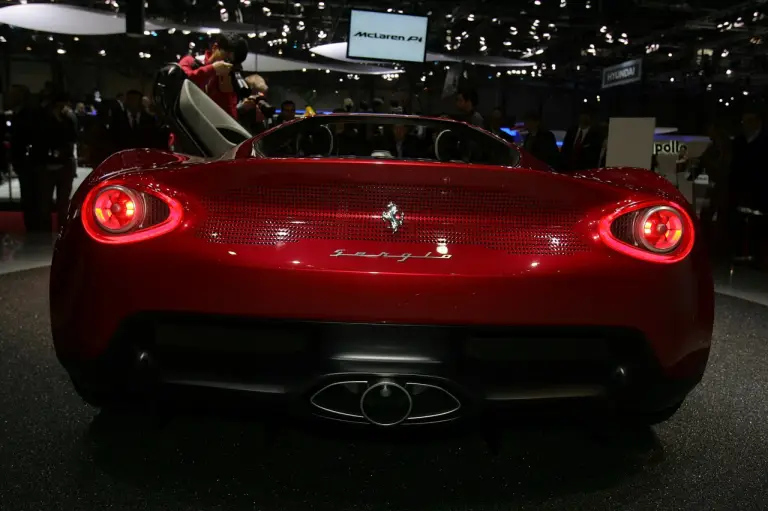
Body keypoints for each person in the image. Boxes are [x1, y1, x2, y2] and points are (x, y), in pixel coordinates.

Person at [178, 33, 242, 118]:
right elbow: (182, 81)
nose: (227, 63)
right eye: (226, 58)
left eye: (231, 62)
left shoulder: (225, 78)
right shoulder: (190, 61)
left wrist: (227, 93)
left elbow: (228, 117)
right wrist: (212, 69)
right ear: (215, 48)